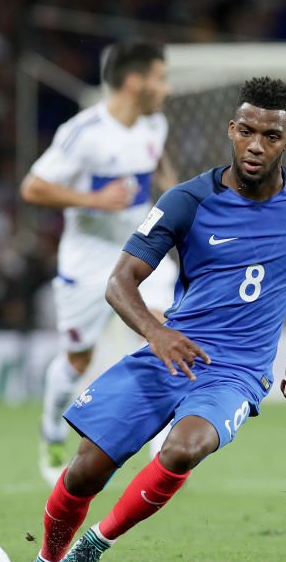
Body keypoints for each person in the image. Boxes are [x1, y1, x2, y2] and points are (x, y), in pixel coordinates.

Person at [12, 76, 286, 562]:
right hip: (169, 354)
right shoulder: (187, 200)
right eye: (247, 131)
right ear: (231, 130)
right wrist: (156, 334)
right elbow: (120, 282)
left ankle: (91, 549)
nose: (256, 146)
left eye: (270, 136)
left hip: (237, 372)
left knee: (184, 449)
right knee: (84, 472)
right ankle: (45, 560)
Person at [21, 41, 179, 485]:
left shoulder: (155, 124)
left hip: (140, 254)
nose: (166, 88)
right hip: (87, 264)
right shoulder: (84, 132)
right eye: (160, 78)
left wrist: (178, 202)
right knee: (77, 359)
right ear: (134, 82)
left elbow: (158, 166)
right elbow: (32, 188)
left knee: (164, 332)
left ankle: (160, 447)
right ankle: (52, 430)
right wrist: (93, 199)